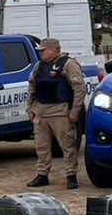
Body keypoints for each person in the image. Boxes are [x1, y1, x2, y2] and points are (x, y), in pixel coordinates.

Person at [26, 37, 86, 189]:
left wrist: (75, 111)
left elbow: (79, 88)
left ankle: (71, 175)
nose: (40, 53)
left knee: (67, 144)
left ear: (53, 50)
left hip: (60, 110)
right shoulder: (39, 66)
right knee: (41, 145)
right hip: (41, 110)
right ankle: (42, 174)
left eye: (43, 50)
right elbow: (32, 87)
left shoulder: (68, 64)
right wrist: (31, 108)